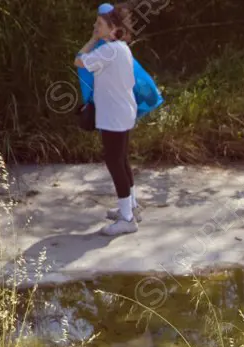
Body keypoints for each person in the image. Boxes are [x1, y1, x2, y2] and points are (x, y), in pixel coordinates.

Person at [74, 3, 140, 236]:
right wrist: (97, 36)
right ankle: (131, 206)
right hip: (123, 112)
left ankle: (127, 219)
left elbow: (79, 61)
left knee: (114, 161)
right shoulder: (121, 47)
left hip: (114, 115)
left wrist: (92, 40)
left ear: (113, 28)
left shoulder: (108, 50)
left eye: (99, 24)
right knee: (121, 159)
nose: (95, 26)